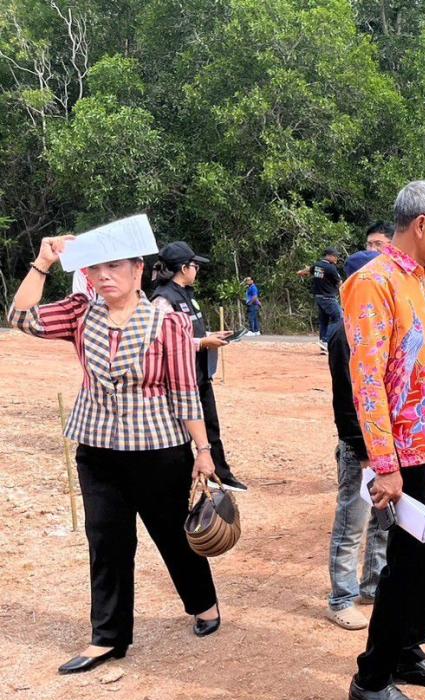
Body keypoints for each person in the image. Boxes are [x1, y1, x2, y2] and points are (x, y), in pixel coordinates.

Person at [8, 233, 221, 674]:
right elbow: (20, 317)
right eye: (95, 270)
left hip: (159, 451)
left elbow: (184, 391)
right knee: (106, 542)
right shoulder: (80, 314)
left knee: (173, 536)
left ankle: (203, 604)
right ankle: (108, 637)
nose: (104, 277)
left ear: (138, 270)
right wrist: (43, 262)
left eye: (115, 268)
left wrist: (203, 450)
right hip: (98, 451)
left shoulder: (168, 323)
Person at [342, 179, 425, 700]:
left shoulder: (419, 283)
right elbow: (367, 381)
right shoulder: (374, 283)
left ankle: (409, 649)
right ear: (421, 225)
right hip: (402, 457)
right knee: (403, 565)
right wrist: (384, 465)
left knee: (424, 558)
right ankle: (373, 675)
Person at [152, 241, 249, 492]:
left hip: (201, 373)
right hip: (180, 378)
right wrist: (202, 342)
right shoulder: (162, 300)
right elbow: (161, 342)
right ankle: (186, 477)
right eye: (194, 265)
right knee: (182, 431)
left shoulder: (186, 295)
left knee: (211, 426)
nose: (197, 270)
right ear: (184, 268)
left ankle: (221, 475)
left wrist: (209, 335)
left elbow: (186, 332)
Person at [324, 319, 389, 629]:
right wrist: (362, 451)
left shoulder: (377, 326)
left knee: (383, 519)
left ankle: (373, 585)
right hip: (359, 448)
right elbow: (346, 397)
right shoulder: (344, 332)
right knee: (352, 523)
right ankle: (341, 598)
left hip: (383, 444)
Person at [299, 247, 343, 348]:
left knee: (324, 320)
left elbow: (307, 271)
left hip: (319, 297)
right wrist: (345, 294)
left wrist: (301, 272)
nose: (337, 258)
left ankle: (323, 344)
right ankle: (326, 340)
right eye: (335, 256)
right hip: (328, 297)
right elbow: (340, 282)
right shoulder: (331, 268)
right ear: (330, 256)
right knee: (339, 318)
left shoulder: (317, 265)